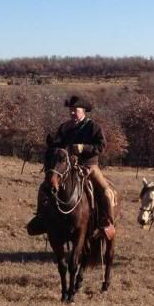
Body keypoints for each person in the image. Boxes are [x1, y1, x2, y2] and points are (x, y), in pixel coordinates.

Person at [26, 95, 116, 237]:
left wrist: (83, 148)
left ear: (83, 111)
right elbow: (58, 145)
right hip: (66, 166)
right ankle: (41, 218)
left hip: (89, 166)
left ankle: (107, 223)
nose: (72, 113)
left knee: (105, 191)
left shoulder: (93, 127)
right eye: (71, 110)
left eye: (75, 110)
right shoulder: (64, 127)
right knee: (44, 187)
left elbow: (101, 146)